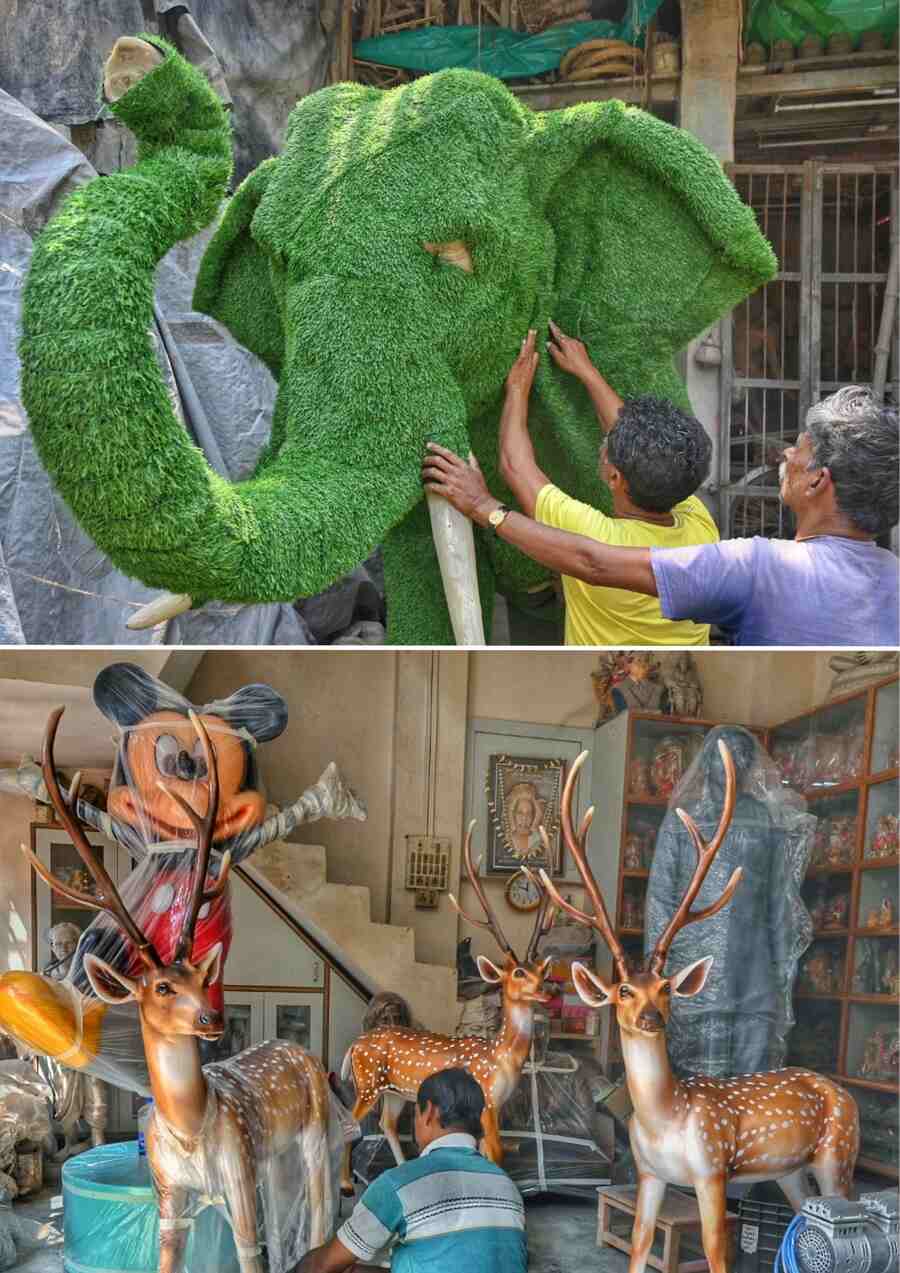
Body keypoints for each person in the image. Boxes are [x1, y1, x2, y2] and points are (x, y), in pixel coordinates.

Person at [422, 334, 899, 646]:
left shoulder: (756, 565)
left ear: (819, 480)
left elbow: (528, 481)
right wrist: (588, 374)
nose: (785, 457)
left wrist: (484, 503)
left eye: (797, 450)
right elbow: (649, 455)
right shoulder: (699, 525)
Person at [424, 324, 718, 646]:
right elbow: (634, 440)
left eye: (608, 447)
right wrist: (587, 372)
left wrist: (517, 390)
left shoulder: (600, 540)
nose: (605, 442)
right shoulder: (699, 527)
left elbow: (516, 467)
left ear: (615, 478)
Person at [644, 726, 815, 1078]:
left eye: (742, 757)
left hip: (754, 972)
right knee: (697, 1087)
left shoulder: (763, 819)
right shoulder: (683, 819)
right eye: (725, 755)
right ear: (708, 763)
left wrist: (784, 966)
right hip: (694, 973)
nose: (733, 763)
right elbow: (661, 898)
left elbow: (778, 900)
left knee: (751, 1083)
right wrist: (656, 967)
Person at [295, 1068, 527, 1273]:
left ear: (430, 1113)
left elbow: (322, 1266)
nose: (414, 1123)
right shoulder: (507, 1186)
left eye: (415, 1113)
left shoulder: (400, 1184)